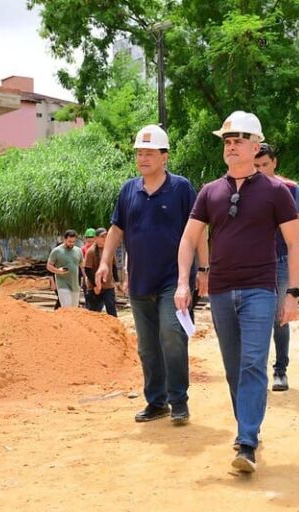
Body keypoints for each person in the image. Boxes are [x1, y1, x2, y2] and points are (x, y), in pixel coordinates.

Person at [175, 111, 299, 473]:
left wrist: (291, 292)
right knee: (234, 368)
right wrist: (184, 282)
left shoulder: (278, 192)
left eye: (239, 140)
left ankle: (246, 441)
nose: (231, 146)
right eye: (227, 141)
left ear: (256, 145)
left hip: (260, 290)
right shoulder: (209, 192)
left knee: (252, 364)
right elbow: (188, 238)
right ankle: (248, 428)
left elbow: (294, 244)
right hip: (220, 291)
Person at [96, 124, 208, 426]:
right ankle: (156, 402)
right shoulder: (128, 190)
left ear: (164, 156)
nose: (143, 158)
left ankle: (179, 400)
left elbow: (198, 231)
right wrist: (105, 262)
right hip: (140, 280)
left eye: (149, 153)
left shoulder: (182, 188)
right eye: (139, 153)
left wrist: (205, 269)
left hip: (176, 279)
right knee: (147, 345)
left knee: (172, 334)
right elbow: (117, 229)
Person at [254, 143, 299, 392]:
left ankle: (280, 370)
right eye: (256, 165)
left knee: (280, 317)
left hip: (282, 259)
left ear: (274, 162)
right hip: (254, 261)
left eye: (265, 164)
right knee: (255, 317)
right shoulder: (245, 190)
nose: (261, 169)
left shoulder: (289, 188)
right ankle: (255, 372)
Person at [83, 227, 117, 316]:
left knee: (111, 310)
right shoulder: (91, 252)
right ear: (96, 238)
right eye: (102, 237)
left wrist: (116, 282)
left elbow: (113, 266)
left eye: (106, 236)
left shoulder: (109, 249)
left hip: (108, 285)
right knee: (95, 312)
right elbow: (87, 270)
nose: (105, 239)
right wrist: (95, 285)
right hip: (95, 287)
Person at [47, 230, 84, 308]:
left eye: (74, 242)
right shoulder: (56, 251)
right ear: (64, 239)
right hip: (62, 284)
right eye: (69, 241)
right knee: (67, 308)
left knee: (74, 309)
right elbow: (49, 266)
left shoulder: (78, 250)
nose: (71, 244)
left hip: (75, 284)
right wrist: (58, 271)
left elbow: (82, 265)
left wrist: (85, 277)